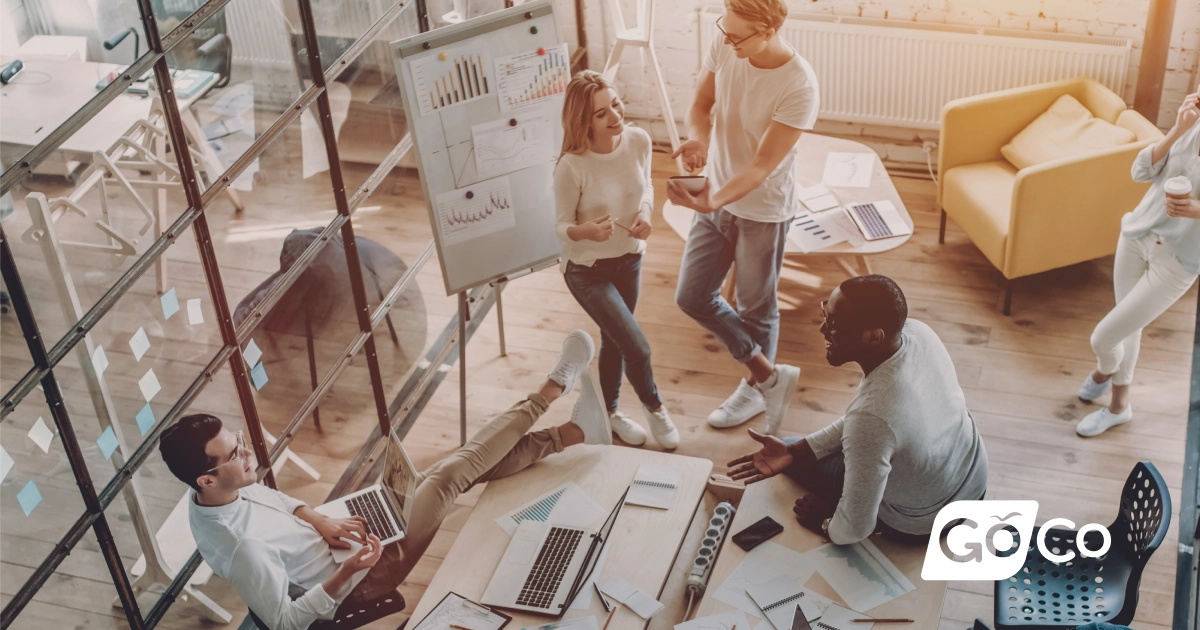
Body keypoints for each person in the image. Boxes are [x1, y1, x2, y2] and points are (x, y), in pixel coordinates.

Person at [160, 330, 612, 630]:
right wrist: (347, 572)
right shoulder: (242, 550)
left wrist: (319, 520)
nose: (247, 452)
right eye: (234, 454)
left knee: (448, 475)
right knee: (450, 475)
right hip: (365, 574)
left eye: (239, 441)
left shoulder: (219, 493)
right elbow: (285, 623)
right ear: (205, 478)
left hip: (344, 541)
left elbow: (272, 503)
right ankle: (550, 391)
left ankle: (573, 433)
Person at [726, 276, 989, 545]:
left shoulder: (872, 417)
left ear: (874, 336)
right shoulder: (919, 333)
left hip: (925, 522)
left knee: (815, 478)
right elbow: (873, 424)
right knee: (791, 449)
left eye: (835, 324)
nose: (822, 328)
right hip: (972, 480)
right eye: (825, 312)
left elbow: (855, 529)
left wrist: (825, 522)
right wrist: (797, 451)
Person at [667, 0, 819, 435]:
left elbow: (759, 166)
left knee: (756, 306)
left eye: (737, 36)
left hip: (762, 211)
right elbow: (700, 105)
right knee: (691, 296)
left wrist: (714, 201)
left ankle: (754, 389)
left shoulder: (799, 86)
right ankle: (769, 376)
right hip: (716, 197)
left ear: (768, 30)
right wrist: (697, 140)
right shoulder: (726, 41)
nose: (727, 40)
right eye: (725, 31)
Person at [554, 70, 680, 450]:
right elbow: (561, 227)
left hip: (629, 259)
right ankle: (655, 407)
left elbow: (648, 185)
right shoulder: (571, 166)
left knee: (615, 338)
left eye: (616, 104)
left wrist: (645, 214)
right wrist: (585, 231)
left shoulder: (638, 141)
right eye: (600, 113)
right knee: (636, 346)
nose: (615, 116)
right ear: (582, 121)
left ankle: (607, 415)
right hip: (587, 271)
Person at [1075, 90, 1200, 437]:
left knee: (1104, 338)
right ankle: (1118, 407)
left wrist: (1196, 210)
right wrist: (1177, 129)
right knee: (1128, 326)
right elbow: (1140, 171)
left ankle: (1104, 372)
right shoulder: (1191, 126)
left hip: (1178, 261)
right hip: (1138, 232)